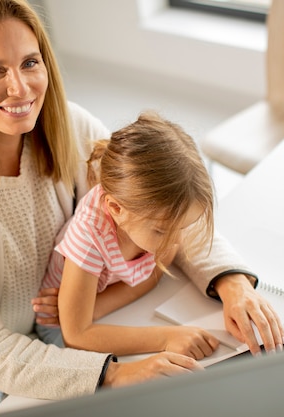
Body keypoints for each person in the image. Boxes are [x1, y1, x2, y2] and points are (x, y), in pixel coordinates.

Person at [0, 0, 284, 416]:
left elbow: (159, 206)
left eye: (30, 62)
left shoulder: (69, 126)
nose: (20, 88)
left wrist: (231, 283)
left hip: (65, 331)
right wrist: (112, 374)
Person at [37, 111, 223, 359]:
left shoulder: (154, 220)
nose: (175, 241)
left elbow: (153, 273)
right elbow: (76, 336)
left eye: (182, 228)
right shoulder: (90, 237)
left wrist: (97, 307)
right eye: (161, 231)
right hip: (59, 328)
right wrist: (166, 338)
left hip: (100, 311)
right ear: (116, 209)